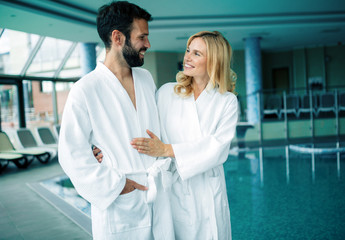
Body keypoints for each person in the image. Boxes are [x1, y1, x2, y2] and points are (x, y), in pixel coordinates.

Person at [98, 31, 238, 239]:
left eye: (197, 54)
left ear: (215, 61)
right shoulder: (167, 93)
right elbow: (142, 127)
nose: (187, 58)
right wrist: (106, 148)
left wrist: (167, 149)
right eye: (188, 50)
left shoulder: (226, 101)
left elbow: (217, 148)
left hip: (208, 191)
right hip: (174, 190)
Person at [58, 1, 174, 239]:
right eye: (142, 37)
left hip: (158, 195)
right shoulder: (85, 89)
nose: (148, 44)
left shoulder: (145, 78)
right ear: (118, 37)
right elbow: (71, 154)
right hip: (121, 202)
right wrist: (117, 185)